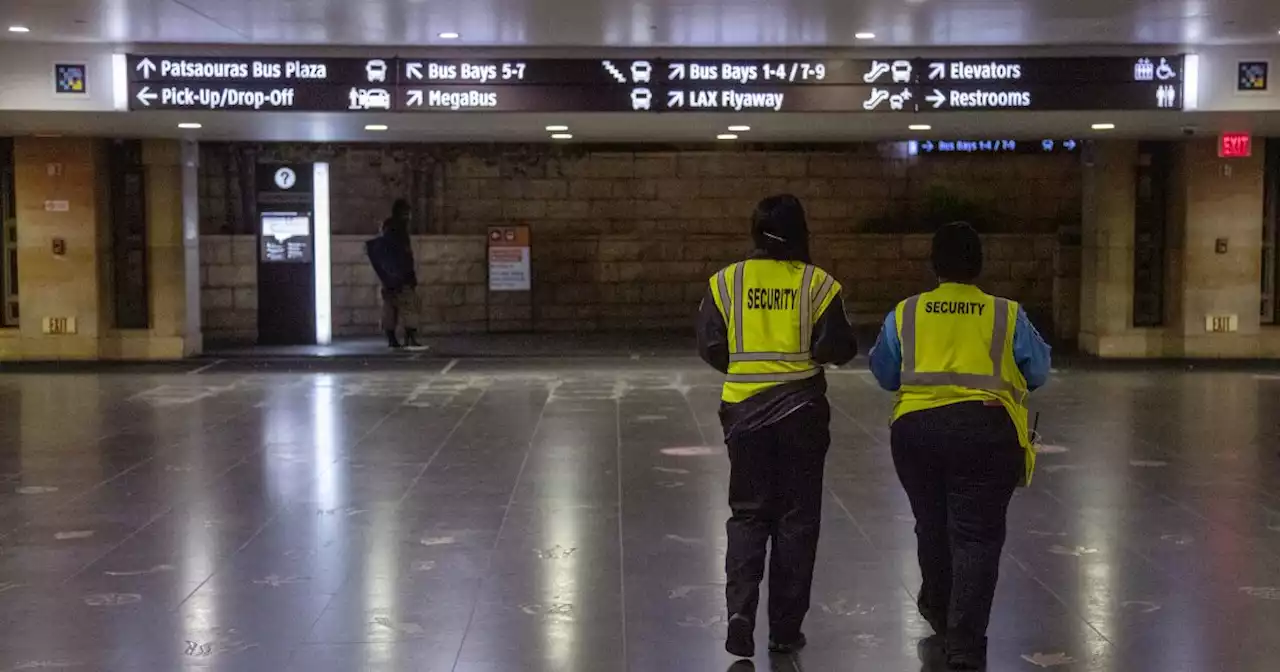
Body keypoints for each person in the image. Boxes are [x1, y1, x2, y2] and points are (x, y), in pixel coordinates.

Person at [868, 222, 1051, 671]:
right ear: (979, 265)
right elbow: (1039, 371)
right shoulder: (1006, 315)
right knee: (976, 536)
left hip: (916, 434)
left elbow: (884, 373)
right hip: (986, 432)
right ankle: (964, 643)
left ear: (933, 264)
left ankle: (938, 607)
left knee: (931, 524)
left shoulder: (906, 313)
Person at [696, 194, 858, 658]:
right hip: (802, 411)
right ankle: (785, 629)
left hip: (743, 413)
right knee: (796, 520)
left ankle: (739, 613)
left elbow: (711, 345)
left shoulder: (725, 282)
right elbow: (839, 346)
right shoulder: (818, 284)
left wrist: (747, 369)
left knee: (747, 514)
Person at [366, 199, 422, 349]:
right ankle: (410, 338)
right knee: (409, 305)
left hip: (387, 278)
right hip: (402, 277)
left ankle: (391, 339)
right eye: (407, 213)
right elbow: (405, 256)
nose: (409, 216)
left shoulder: (386, 229)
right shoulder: (400, 231)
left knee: (390, 307)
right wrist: (409, 276)